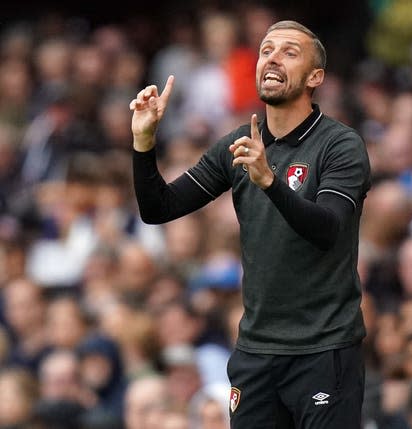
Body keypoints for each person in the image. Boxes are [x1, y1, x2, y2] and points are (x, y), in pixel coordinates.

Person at [129, 20, 370, 429]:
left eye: (289, 52)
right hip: (255, 352)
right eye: (266, 50)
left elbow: (328, 227)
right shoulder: (238, 144)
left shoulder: (339, 144)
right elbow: (159, 208)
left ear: (316, 77)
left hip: (324, 348)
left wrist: (270, 183)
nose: (272, 58)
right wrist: (144, 141)